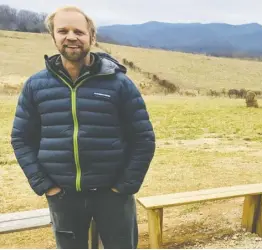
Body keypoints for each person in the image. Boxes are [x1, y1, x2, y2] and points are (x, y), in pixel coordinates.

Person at [10, 6, 156, 249]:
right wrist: (47, 186)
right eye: (63, 31)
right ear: (53, 37)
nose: (71, 37)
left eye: (79, 31)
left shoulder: (119, 84)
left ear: (92, 37)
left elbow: (143, 139)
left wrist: (123, 186)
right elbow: (21, 139)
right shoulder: (36, 86)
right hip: (63, 197)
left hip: (114, 196)